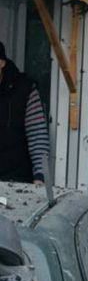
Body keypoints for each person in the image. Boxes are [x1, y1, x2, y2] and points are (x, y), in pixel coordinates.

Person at [0, 43, 48, 184]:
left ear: (1, 63)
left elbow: (37, 135)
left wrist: (40, 175)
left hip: (17, 180)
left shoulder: (25, 90)